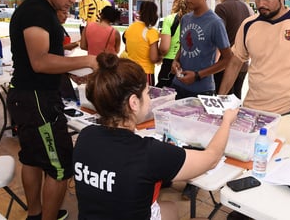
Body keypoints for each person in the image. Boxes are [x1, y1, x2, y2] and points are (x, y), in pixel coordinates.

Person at [73, 52, 239, 219]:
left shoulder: (85, 136)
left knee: (170, 208)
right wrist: (226, 121)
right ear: (134, 102)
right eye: (147, 93)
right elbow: (211, 159)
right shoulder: (149, 153)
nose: (150, 99)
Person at [6, 0, 98, 220]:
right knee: (60, 167)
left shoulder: (43, 9)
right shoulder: (37, 12)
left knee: (32, 159)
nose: (73, 0)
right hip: (37, 99)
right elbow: (40, 61)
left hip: (27, 95)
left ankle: (35, 214)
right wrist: (87, 61)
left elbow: (47, 59)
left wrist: (68, 69)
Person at [170, 0, 232, 99]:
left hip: (202, 91)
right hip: (178, 85)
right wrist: (176, 61)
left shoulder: (215, 23)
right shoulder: (185, 19)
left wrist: (198, 75)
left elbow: (228, 59)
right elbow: (183, 46)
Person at [213, 0, 254, 99]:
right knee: (236, 101)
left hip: (226, 65)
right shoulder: (246, 7)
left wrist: (213, 63)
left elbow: (219, 36)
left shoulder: (221, 7)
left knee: (222, 102)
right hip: (243, 63)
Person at [156, 0, 190, 88]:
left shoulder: (170, 19)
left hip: (170, 63)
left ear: (176, 1)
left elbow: (164, 48)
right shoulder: (195, 19)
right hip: (188, 62)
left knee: (165, 96)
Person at [125, 1, 161, 86]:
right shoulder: (151, 32)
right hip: (145, 73)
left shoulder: (130, 28)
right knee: (145, 97)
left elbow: (127, 49)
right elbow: (153, 58)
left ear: (140, 11)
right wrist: (160, 56)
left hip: (130, 71)